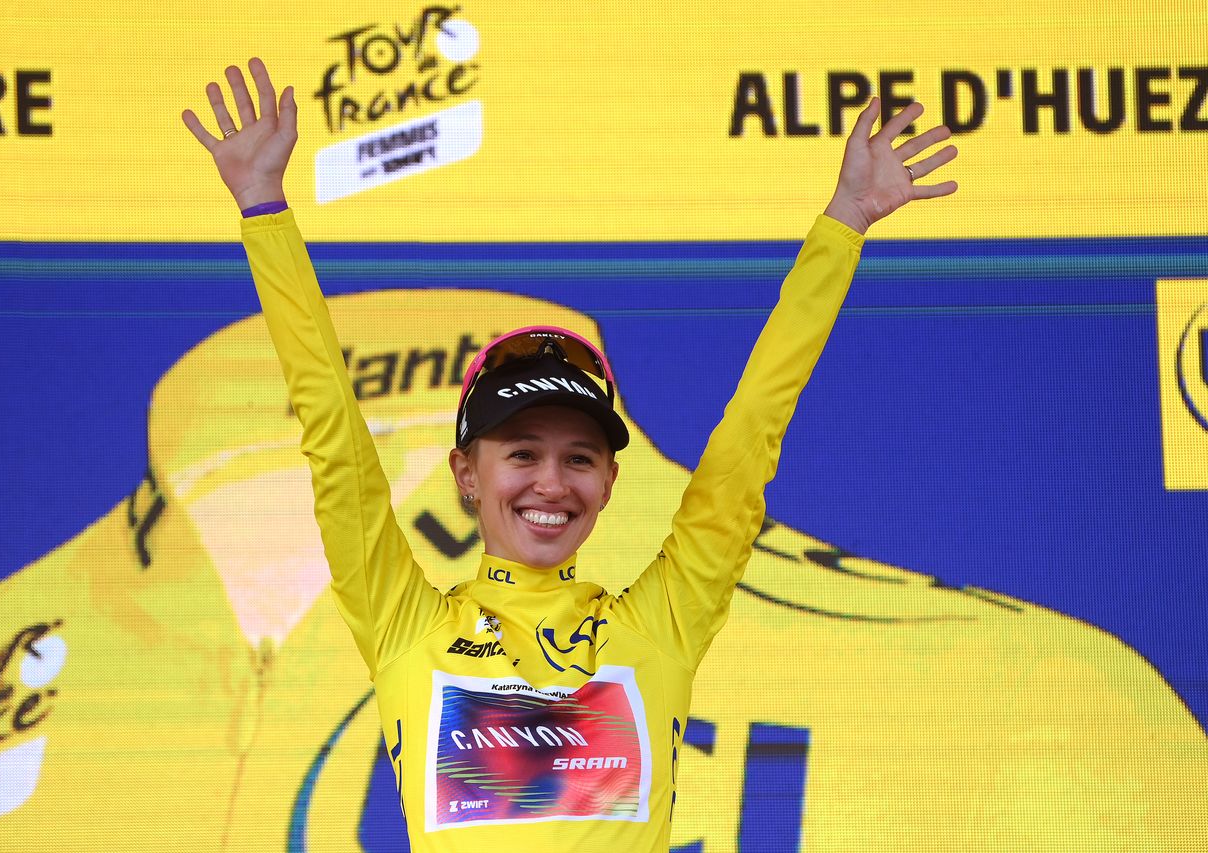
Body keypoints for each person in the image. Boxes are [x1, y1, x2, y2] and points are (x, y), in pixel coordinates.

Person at [182, 58, 957, 852]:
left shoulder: (662, 624)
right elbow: (334, 432)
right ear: (464, 475)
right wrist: (263, 211)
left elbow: (751, 434)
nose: (551, 481)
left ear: (612, 480)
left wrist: (844, 224)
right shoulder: (404, 623)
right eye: (522, 452)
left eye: (580, 457)